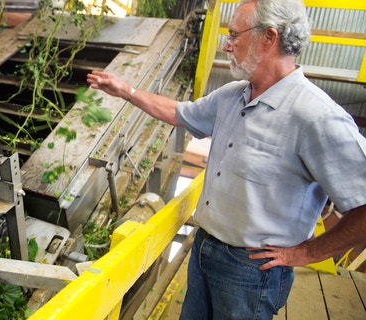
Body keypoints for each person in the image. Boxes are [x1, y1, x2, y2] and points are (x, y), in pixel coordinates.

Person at [87, 0, 366, 319]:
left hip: (251, 271)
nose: (226, 45)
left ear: (268, 38)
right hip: (204, 248)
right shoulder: (233, 95)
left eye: (234, 35)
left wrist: (306, 253)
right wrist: (126, 91)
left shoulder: (316, 118)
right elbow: (179, 113)